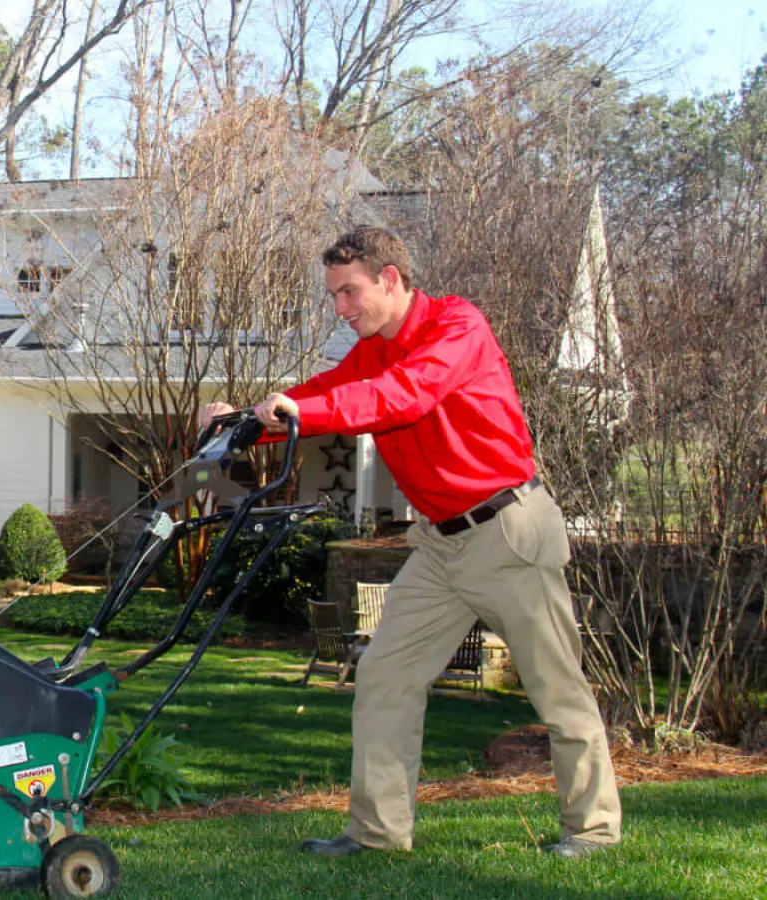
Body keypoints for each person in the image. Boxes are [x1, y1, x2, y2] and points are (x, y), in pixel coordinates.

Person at [207, 226, 621, 858]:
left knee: (557, 689)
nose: (341, 309)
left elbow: (403, 397)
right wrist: (243, 421)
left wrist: (302, 411)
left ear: (391, 279)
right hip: (440, 545)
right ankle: (377, 833)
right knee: (385, 676)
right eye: (334, 296)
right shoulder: (371, 350)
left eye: (350, 292)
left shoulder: (456, 327)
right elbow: (320, 397)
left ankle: (592, 831)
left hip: (508, 533)